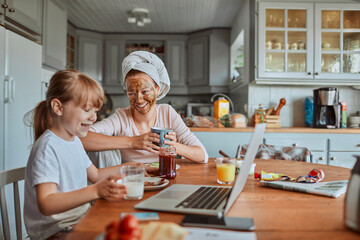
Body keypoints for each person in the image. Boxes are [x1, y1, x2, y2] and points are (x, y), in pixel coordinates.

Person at [24, 70, 138, 240]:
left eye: (95, 110)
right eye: (86, 109)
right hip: (56, 231)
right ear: (58, 107)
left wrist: (131, 167)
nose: (93, 117)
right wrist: (95, 191)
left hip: (79, 220)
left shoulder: (74, 140)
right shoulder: (48, 147)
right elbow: (46, 203)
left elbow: (96, 175)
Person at [81, 51, 208, 165]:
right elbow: (81, 137)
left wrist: (172, 146)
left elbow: (202, 155)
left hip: (166, 179)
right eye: (131, 93)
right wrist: (133, 142)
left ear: (157, 89)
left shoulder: (167, 112)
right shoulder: (121, 117)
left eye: (145, 91)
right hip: (132, 181)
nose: (139, 99)